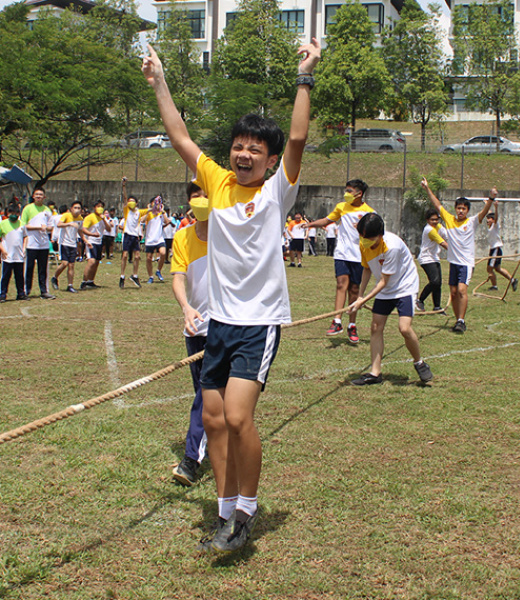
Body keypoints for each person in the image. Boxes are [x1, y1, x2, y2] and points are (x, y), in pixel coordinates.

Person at [143, 38, 320, 553]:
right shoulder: (217, 182)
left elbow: (298, 138)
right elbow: (177, 134)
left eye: (254, 149)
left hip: (258, 322)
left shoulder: (275, 191)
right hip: (218, 322)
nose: (244, 154)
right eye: (238, 146)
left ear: (267, 159)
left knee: (240, 418)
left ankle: (247, 508)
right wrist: (160, 82)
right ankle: (225, 512)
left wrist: (304, 75)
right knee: (216, 419)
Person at [351, 213, 433, 386]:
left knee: (404, 328)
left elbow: (383, 281)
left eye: (369, 238)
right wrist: (360, 295)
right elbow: (366, 269)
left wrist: (364, 299)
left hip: (404, 287)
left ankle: (419, 362)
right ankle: (375, 373)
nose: (364, 241)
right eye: (363, 237)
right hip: (384, 289)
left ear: (380, 235)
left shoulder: (391, 246)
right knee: (375, 327)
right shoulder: (364, 242)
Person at [303, 179, 374, 345]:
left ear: (359, 193)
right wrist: (310, 224)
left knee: (354, 289)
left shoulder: (369, 212)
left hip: (359, 256)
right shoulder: (341, 207)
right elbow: (327, 221)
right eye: (346, 190)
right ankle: (337, 322)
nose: (346, 193)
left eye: (350, 191)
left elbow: (374, 234)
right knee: (341, 284)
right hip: (342, 254)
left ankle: (352, 325)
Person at [171, 184, 209, 486]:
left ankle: (191, 459)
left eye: (205, 195)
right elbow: (178, 277)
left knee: (206, 393)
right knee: (204, 392)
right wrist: (186, 307)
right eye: (195, 196)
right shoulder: (182, 237)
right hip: (195, 327)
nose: (200, 201)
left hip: (226, 329)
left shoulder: (230, 235)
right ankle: (216, 441)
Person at [421, 178, 494, 333]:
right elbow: (436, 204)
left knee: (461, 290)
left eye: (464, 209)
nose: (461, 211)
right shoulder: (449, 219)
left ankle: (461, 320)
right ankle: (457, 321)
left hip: (466, 264)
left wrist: (491, 199)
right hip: (453, 263)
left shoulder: (472, 222)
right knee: (453, 293)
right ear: (455, 208)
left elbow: (484, 212)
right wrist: (427, 189)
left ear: (467, 211)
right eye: (459, 208)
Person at [20, 187, 55, 299]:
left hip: (43, 244)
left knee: (43, 268)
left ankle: (44, 291)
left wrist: (47, 228)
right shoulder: (28, 208)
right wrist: (38, 227)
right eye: (37, 194)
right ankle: (26, 291)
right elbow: (23, 225)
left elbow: (51, 227)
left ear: (44, 197)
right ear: (33, 196)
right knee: (29, 267)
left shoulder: (47, 210)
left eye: (41, 195)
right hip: (31, 244)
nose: (39, 196)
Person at [416, 208, 448, 312]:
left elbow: (447, 236)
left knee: (438, 283)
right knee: (434, 281)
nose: (435, 222)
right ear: (427, 220)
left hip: (434, 257)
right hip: (426, 258)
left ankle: (437, 307)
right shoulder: (429, 230)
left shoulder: (438, 226)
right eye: (432, 220)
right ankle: (420, 300)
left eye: (436, 219)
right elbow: (443, 243)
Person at [119, 177, 148, 289]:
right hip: (127, 235)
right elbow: (125, 197)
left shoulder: (139, 212)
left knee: (137, 256)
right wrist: (124, 186)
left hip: (135, 236)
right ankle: (122, 276)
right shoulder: (127, 211)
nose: (130, 203)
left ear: (136, 203)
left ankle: (134, 275)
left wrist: (157, 205)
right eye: (129, 201)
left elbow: (149, 210)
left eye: (132, 201)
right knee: (125, 255)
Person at [485, 200, 518, 292]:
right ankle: (513, 280)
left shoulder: (495, 226)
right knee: (498, 269)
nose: (487, 220)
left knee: (489, 269)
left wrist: (496, 207)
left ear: (493, 220)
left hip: (496, 249)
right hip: (494, 249)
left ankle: (494, 286)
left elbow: (496, 217)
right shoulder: (491, 227)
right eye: (487, 219)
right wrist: (487, 204)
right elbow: (490, 213)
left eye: (489, 219)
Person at [51, 200, 83, 294]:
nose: (77, 210)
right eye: (75, 208)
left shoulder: (80, 219)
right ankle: (54, 277)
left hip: (73, 244)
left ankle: (70, 285)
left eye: (79, 208)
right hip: (64, 243)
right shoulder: (66, 216)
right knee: (64, 263)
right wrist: (69, 224)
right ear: (71, 209)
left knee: (71, 265)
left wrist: (85, 240)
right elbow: (59, 224)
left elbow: (80, 230)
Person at [0, 203, 28, 302]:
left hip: (19, 255)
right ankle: (2, 294)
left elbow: (25, 237)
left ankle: (21, 294)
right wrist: (3, 250)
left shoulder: (22, 224)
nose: (14, 215)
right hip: (8, 255)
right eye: (11, 212)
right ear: (7, 213)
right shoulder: (3, 224)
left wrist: (24, 248)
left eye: (16, 213)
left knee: (19, 276)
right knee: (6, 276)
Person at [80, 200, 111, 289]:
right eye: (98, 206)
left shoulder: (103, 218)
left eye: (101, 206)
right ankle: (84, 282)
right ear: (94, 208)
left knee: (97, 262)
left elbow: (108, 229)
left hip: (99, 242)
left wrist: (104, 219)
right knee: (91, 261)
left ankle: (91, 281)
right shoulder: (90, 217)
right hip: (91, 241)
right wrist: (92, 234)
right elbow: (84, 229)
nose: (100, 208)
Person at [143, 195, 170, 283]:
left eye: (158, 202)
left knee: (163, 253)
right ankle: (150, 276)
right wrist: (148, 211)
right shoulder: (149, 213)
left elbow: (167, 221)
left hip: (159, 238)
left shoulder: (161, 213)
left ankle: (158, 270)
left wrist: (162, 212)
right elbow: (142, 220)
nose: (156, 204)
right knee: (149, 258)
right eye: (154, 203)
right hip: (150, 239)